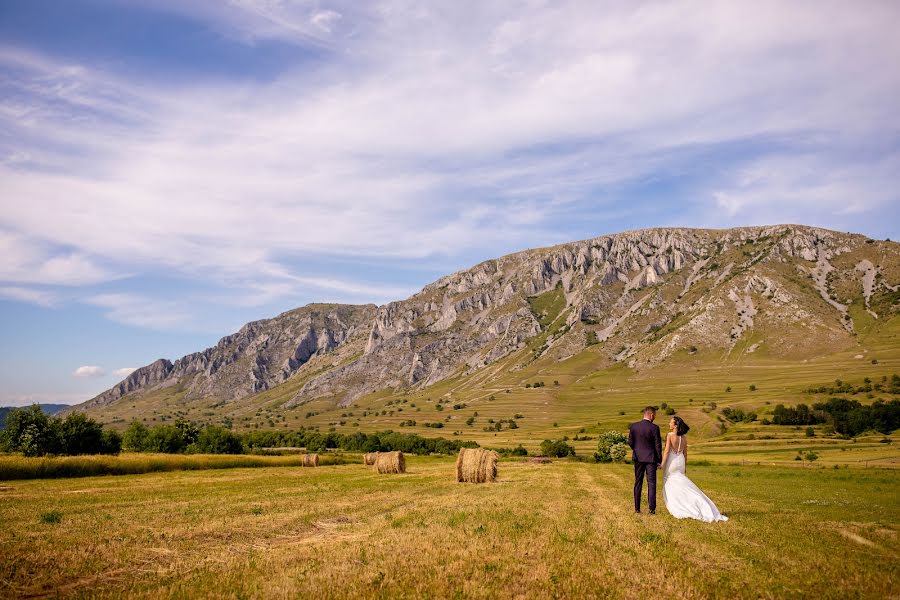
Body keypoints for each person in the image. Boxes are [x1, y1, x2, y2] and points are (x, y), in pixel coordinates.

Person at [661, 415, 728, 522]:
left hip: (672, 462)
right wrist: (684, 466)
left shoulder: (669, 435)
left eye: (671, 422)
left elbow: (667, 451)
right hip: (681, 461)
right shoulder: (684, 438)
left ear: (675, 425)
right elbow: (685, 454)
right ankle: (693, 502)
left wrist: (662, 464)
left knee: (670, 483)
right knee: (681, 482)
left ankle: (679, 505)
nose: (669, 424)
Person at [628, 406, 662, 514]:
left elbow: (630, 442)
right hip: (651, 459)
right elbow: (658, 446)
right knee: (651, 483)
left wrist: (637, 450)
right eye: (655, 415)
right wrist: (659, 460)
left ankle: (637, 509)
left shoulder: (634, 426)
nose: (655, 417)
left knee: (638, 482)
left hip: (638, 458)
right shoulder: (655, 428)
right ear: (651, 415)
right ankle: (652, 509)